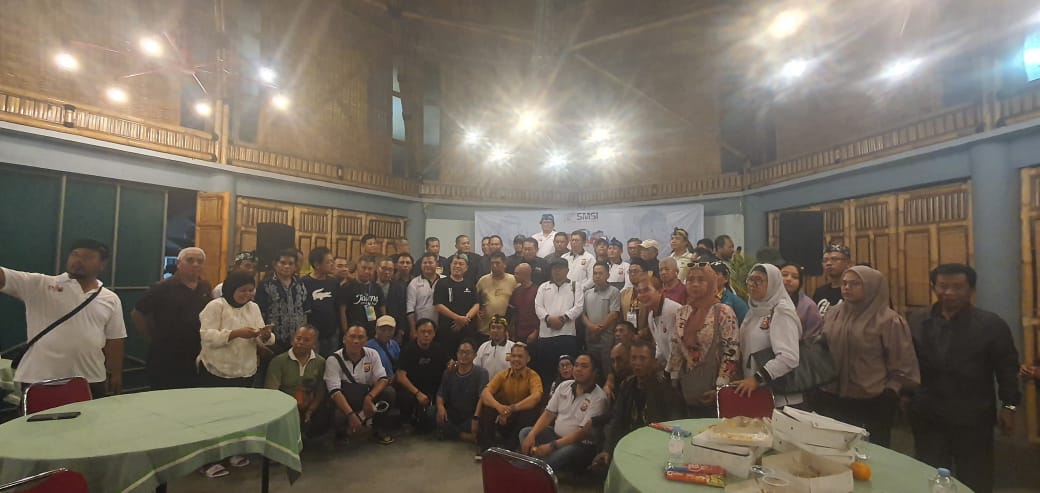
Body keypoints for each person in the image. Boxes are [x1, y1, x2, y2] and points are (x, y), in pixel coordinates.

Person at [907, 264, 1020, 493]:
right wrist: (906, 396)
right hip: (928, 413)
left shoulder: (991, 324)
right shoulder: (917, 320)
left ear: (971, 290)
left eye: (957, 287)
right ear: (933, 287)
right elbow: (908, 363)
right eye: (943, 286)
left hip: (973, 415)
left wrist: (1009, 405)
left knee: (975, 477)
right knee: (929, 474)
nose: (949, 292)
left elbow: (1007, 368)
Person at [2, 239, 126, 397]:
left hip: (91, 378)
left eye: (87, 257)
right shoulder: (40, 285)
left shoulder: (110, 299)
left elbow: (115, 340)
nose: (78, 260)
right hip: (40, 378)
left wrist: (116, 374)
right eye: (75, 254)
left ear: (102, 265)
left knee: (92, 414)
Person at [816, 265, 920, 448]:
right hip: (833, 395)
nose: (847, 288)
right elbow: (822, 345)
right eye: (844, 283)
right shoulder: (834, 313)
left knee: (871, 453)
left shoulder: (888, 320)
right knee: (834, 449)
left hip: (872, 399)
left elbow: (902, 362)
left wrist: (891, 392)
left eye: (855, 284)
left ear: (872, 287)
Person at [197, 271, 274, 478]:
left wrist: (265, 335)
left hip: (245, 369)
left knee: (237, 414)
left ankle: (233, 452)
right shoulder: (216, 306)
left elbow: (260, 335)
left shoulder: (253, 307)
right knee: (215, 416)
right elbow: (206, 336)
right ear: (231, 289)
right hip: (217, 370)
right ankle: (209, 459)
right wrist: (235, 333)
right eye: (242, 291)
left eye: (250, 290)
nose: (247, 295)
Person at [591, 339, 684, 470]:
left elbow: (675, 426)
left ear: (653, 362)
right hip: (628, 443)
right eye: (634, 358)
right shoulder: (626, 385)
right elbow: (617, 419)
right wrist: (608, 449)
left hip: (654, 447)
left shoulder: (666, 390)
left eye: (642, 358)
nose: (637, 363)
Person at [667, 263, 740, 417]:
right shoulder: (682, 312)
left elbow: (731, 351)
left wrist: (720, 388)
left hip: (714, 390)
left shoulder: (723, 312)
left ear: (712, 282)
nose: (695, 284)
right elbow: (676, 346)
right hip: (688, 388)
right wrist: (674, 380)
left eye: (701, 280)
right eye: (690, 280)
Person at [132, 247, 210, 390]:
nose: (195, 264)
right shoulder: (161, 288)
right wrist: (151, 336)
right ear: (179, 263)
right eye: (190, 260)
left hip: (196, 354)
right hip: (165, 356)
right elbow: (137, 313)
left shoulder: (205, 287)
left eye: (200, 261)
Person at [520, 353, 608, 472]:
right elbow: (548, 414)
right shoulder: (564, 386)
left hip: (580, 444)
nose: (578, 369)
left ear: (595, 372)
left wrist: (553, 446)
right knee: (526, 432)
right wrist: (532, 434)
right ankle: (538, 464)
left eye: (584, 366)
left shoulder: (599, 398)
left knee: (566, 451)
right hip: (556, 436)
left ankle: (533, 468)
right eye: (576, 365)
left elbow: (582, 434)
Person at [731, 264, 802, 407]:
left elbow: (789, 357)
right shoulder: (754, 311)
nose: (752, 284)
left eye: (759, 280)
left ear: (773, 283)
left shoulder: (781, 310)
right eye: (750, 279)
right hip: (757, 394)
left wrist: (757, 379)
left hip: (781, 399)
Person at [325, 325, 396, 445]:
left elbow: (383, 379)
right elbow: (335, 392)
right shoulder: (333, 360)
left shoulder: (372, 354)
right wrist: (351, 415)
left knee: (389, 393)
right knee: (336, 413)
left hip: (366, 396)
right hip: (346, 400)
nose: (356, 341)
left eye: (360, 337)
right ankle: (342, 433)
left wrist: (369, 397)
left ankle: (377, 430)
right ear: (344, 339)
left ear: (366, 340)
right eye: (352, 337)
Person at [479, 343, 544, 453]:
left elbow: (536, 397)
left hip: (519, 417)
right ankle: (487, 448)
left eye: (520, 356)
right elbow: (485, 393)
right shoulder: (502, 374)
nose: (516, 359)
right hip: (503, 415)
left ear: (528, 359)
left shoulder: (533, 376)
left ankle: (511, 449)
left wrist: (511, 409)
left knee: (530, 411)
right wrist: (499, 407)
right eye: (513, 356)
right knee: (488, 406)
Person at [265, 325, 327, 438]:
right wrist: (290, 411)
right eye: (298, 338)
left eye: (306, 340)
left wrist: (310, 410)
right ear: (292, 340)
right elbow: (271, 392)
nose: (300, 342)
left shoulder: (320, 362)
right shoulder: (278, 362)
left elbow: (320, 390)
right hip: (285, 408)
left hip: (309, 406)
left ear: (314, 345)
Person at [534, 258, 585, 389]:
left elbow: (579, 307)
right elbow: (538, 307)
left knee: (568, 372)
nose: (557, 271)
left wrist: (563, 318)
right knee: (546, 371)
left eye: (560, 268)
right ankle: (548, 397)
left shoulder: (575, 285)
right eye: (554, 268)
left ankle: (570, 394)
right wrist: (548, 318)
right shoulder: (543, 287)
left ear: (567, 270)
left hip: (567, 335)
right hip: (546, 336)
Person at [396, 318, 451, 431]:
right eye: (423, 331)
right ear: (416, 333)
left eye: (429, 332)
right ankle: (406, 422)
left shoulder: (439, 349)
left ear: (434, 334)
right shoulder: (407, 350)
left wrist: (453, 366)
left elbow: (450, 363)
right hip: (413, 390)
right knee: (403, 395)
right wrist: (417, 393)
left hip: (434, 389)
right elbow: (400, 376)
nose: (426, 335)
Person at [436, 339, 489, 451]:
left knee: (482, 424)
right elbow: (441, 393)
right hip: (453, 413)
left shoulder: (481, 373)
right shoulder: (449, 371)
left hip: (470, 414)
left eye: (468, 353)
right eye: (461, 352)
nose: (464, 355)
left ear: (475, 355)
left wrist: (476, 418)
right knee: (433, 413)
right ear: (457, 354)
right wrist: (441, 407)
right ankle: (464, 436)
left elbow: (482, 397)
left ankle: (450, 433)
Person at [254, 248, 309, 351]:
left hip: (298, 340)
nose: (287, 266)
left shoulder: (301, 284)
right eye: (283, 263)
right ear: (275, 264)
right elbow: (260, 313)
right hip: (274, 341)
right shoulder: (265, 285)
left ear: (295, 266)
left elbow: (305, 311)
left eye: (290, 263)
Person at [433, 254, 480, 353]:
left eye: (461, 264)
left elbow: (476, 304)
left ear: (466, 268)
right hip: (447, 330)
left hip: (467, 330)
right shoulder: (441, 283)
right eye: (455, 263)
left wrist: (465, 319)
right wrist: (457, 318)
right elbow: (438, 305)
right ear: (450, 265)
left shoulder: (470, 284)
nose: (457, 266)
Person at [302, 247, 342, 357]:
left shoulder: (334, 282)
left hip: (331, 335)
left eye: (332, 261)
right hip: (312, 335)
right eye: (328, 262)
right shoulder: (304, 282)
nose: (332, 264)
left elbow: (337, 307)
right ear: (317, 265)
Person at [335, 256, 386, 338]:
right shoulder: (347, 286)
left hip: (373, 332)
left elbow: (382, 309)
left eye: (370, 269)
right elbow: (342, 311)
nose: (367, 271)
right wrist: (345, 331)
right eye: (364, 268)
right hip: (353, 332)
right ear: (358, 268)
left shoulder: (377, 288)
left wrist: (382, 329)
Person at [637, 276, 682, 367]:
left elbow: (676, 349)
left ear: (660, 291)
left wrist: (667, 371)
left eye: (646, 290)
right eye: (639, 292)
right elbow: (660, 345)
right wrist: (656, 363)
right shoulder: (650, 316)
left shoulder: (672, 310)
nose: (642, 295)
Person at [583, 262, 621, 368]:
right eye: (595, 273)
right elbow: (583, 314)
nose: (597, 276)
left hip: (607, 337)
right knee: (593, 368)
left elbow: (613, 314)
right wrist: (591, 327)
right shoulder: (587, 293)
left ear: (608, 275)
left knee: (608, 368)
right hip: (590, 336)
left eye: (600, 273)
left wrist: (598, 330)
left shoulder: (614, 291)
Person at [476, 252, 516, 340]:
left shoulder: (513, 280)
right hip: (485, 328)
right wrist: (478, 310)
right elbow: (474, 300)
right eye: (492, 263)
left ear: (504, 264)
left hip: (505, 329)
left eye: (497, 263)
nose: (494, 266)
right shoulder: (483, 280)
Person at [779, 263, 824, 341]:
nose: (789, 279)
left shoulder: (809, 306)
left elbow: (812, 338)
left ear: (800, 282)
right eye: (784, 275)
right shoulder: (765, 300)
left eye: (795, 277)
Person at [407, 253, 441, 340]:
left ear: (436, 264)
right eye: (425, 263)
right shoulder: (414, 283)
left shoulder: (444, 280)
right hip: (422, 328)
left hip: (441, 327)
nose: (427, 265)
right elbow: (410, 308)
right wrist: (413, 329)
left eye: (430, 262)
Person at [814, 244, 851, 316]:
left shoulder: (852, 291)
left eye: (834, 259)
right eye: (825, 260)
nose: (828, 263)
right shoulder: (820, 292)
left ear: (848, 263)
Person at [376, 257, 409, 339]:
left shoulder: (398, 288)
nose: (387, 272)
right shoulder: (370, 286)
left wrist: (401, 331)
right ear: (377, 268)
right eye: (384, 268)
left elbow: (402, 310)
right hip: (373, 328)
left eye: (390, 269)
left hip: (393, 329)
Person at [508, 263, 540, 344]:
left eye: (517, 273)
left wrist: (536, 332)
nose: (514, 276)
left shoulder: (537, 291)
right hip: (518, 333)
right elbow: (514, 313)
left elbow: (540, 314)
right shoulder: (516, 291)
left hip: (532, 333)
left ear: (526, 274)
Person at [366, 316, 401, 383]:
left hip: (394, 380)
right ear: (376, 329)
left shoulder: (394, 344)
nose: (386, 333)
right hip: (378, 382)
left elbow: (399, 364)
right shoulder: (368, 347)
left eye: (390, 330)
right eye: (383, 329)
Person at [620, 259, 649, 326]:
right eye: (630, 272)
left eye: (636, 271)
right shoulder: (624, 294)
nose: (632, 274)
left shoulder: (650, 293)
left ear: (645, 273)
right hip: (628, 330)